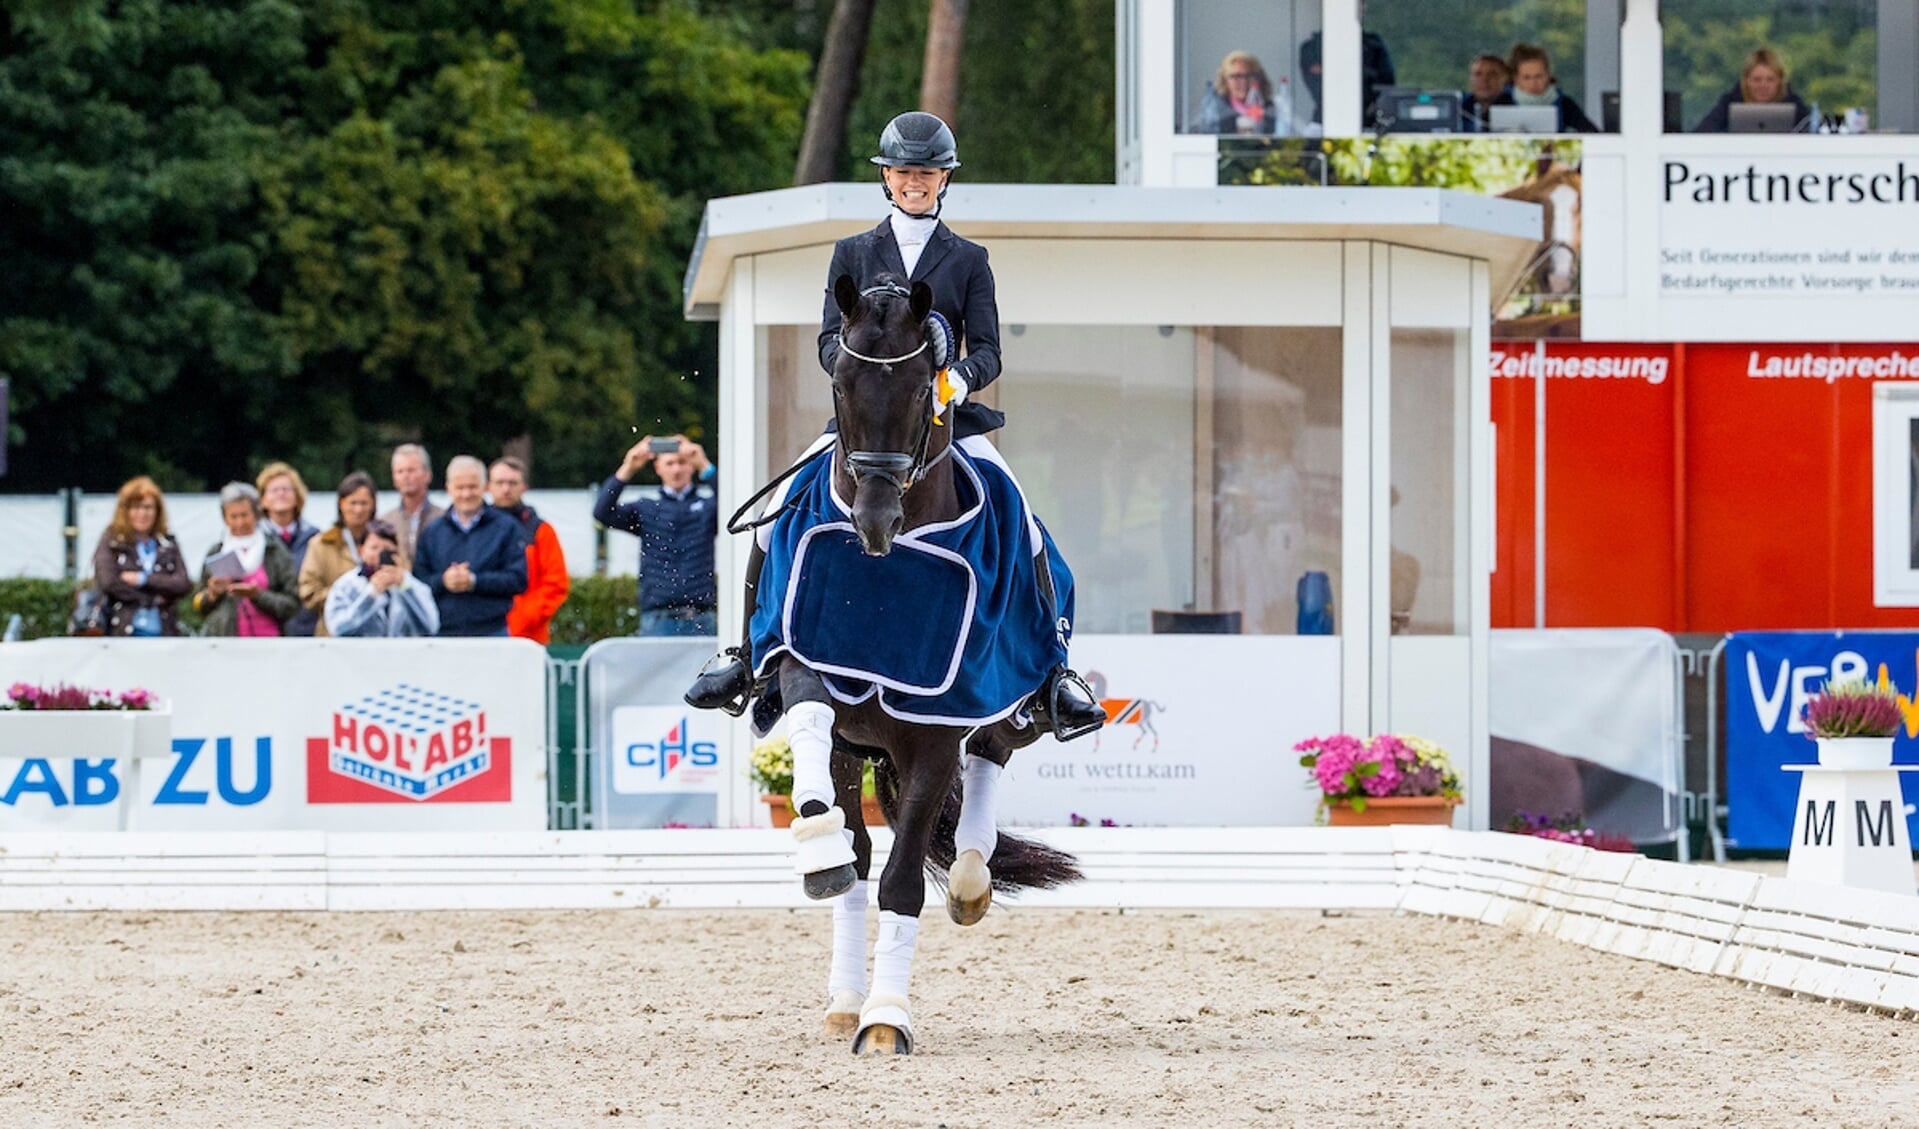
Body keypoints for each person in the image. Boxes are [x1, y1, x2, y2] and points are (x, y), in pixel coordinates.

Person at [684, 111, 1105, 743]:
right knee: (776, 511)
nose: (916, 182)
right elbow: (829, 340)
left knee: (1021, 515)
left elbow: (988, 350)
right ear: (887, 177)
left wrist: (954, 379)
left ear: (943, 181)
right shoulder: (852, 251)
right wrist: (858, 367)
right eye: (906, 172)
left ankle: (1055, 675)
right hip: (864, 424)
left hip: (943, 421)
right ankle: (746, 656)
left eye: (928, 173)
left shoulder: (968, 259)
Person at [592, 435, 719, 636]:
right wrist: (629, 467)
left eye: (683, 462)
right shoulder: (646, 509)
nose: (676, 469)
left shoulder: (708, 507)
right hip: (658, 616)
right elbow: (602, 512)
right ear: (658, 468)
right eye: (669, 463)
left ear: (691, 466)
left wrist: (705, 466)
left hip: (700, 616)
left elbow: (736, 506)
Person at [413, 455, 528, 637]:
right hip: (442, 631)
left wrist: (475, 581)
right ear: (448, 488)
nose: (466, 494)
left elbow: (517, 579)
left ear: (484, 487)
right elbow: (417, 582)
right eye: (460, 488)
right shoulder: (432, 532)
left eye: (472, 487)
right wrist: (444, 581)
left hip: (492, 630)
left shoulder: (507, 528)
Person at [191, 482, 301, 637]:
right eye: (233, 516)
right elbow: (198, 605)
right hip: (224, 641)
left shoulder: (275, 550)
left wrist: (258, 596)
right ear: (225, 518)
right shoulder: (216, 552)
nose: (240, 522)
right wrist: (213, 594)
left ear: (256, 514)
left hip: (269, 641)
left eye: (244, 515)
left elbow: (293, 604)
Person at [91, 476, 192, 637]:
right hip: (123, 630)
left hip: (163, 631)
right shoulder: (112, 541)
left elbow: (183, 583)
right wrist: (152, 598)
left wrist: (144, 579)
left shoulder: (167, 543)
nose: (142, 513)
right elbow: (108, 581)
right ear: (125, 511)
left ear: (157, 511)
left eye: (148, 507)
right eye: (136, 507)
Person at [490, 455, 570, 644]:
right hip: (483, 631)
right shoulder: (476, 528)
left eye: (512, 483)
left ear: (524, 487)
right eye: (500, 482)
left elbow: (556, 584)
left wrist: (522, 619)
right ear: (489, 486)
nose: (506, 489)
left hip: (528, 638)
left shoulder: (541, 531)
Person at [298, 471, 386, 638]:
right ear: (341, 504)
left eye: (364, 503)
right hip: (334, 634)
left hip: (379, 635)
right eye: (352, 503)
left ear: (373, 504)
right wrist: (352, 595)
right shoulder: (321, 544)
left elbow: (402, 577)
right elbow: (309, 592)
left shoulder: (387, 541)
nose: (358, 509)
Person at [324, 519, 440, 637]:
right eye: (374, 548)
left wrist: (405, 587)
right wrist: (370, 596)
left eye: (387, 549)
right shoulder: (345, 585)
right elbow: (337, 628)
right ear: (361, 551)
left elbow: (431, 627)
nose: (379, 555)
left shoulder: (411, 585)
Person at [255, 461, 323, 636]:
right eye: (274, 490)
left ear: (297, 496)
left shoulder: (315, 538)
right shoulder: (254, 540)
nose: (281, 494)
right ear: (263, 500)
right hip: (266, 628)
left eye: (286, 489)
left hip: (308, 627)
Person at [1298, 7, 1396, 129]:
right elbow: (1317, 82)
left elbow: (1385, 83)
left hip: (1367, 122)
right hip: (1323, 122)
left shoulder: (1373, 46)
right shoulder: (1312, 48)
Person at [1692, 47, 1811, 133]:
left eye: (1770, 80)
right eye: (1757, 80)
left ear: (1779, 82)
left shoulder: (1794, 105)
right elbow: (1703, 132)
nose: (1763, 86)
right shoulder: (1729, 103)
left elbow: (1812, 130)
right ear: (1746, 81)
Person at [1491, 43, 1596, 133]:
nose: (1533, 83)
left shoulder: (1565, 104)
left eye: (1539, 76)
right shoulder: (1503, 102)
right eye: (1526, 78)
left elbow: (1592, 134)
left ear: (1548, 75)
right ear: (1516, 79)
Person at [380, 443, 444, 565]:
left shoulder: (443, 518)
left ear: (428, 475)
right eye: (400, 471)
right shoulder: (385, 522)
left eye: (411, 470)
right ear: (394, 478)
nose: (406, 476)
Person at [1190, 51, 1275, 136]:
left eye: (1250, 76)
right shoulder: (1211, 115)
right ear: (1225, 81)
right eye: (1236, 76)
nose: (1244, 82)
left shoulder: (1272, 112)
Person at [1461, 52, 1511, 132]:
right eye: (1478, 74)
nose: (1484, 79)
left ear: (1504, 79)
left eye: (1492, 74)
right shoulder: (1459, 109)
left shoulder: (1515, 109)